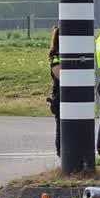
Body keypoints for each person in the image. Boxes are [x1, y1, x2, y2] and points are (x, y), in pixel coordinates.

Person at [47, 27, 61, 157]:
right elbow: (60, 75)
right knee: (61, 126)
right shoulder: (55, 56)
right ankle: (61, 152)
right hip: (60, 95)